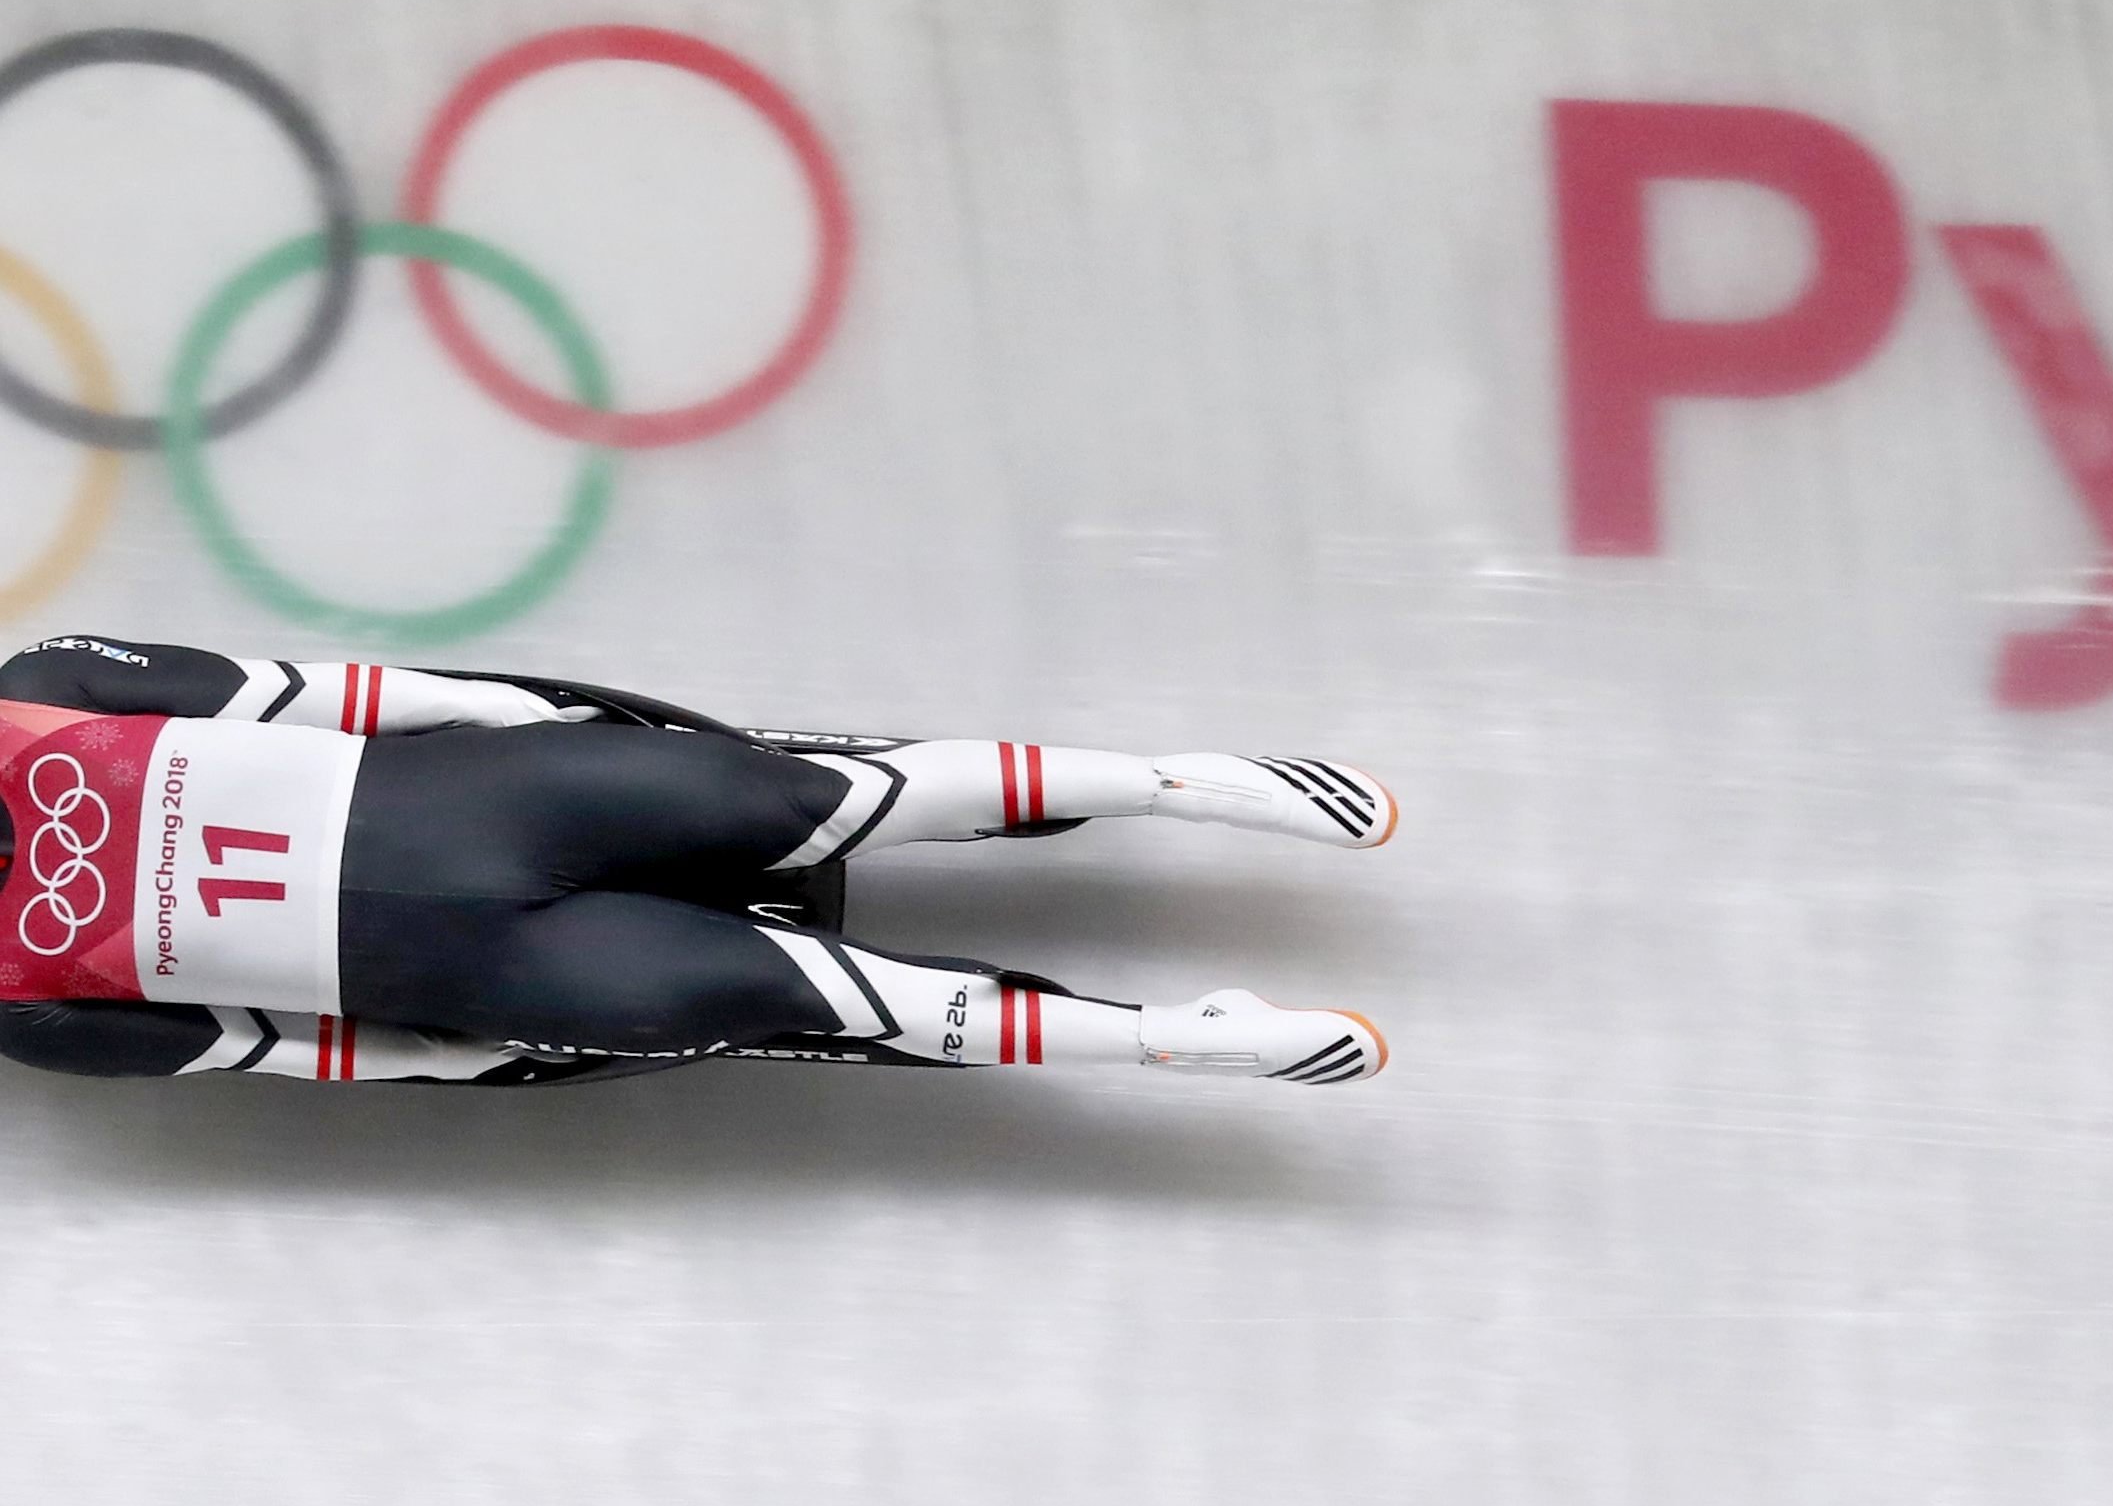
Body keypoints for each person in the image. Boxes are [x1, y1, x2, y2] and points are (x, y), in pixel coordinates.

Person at [0, 635, 1394, 1088]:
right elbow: (253, 1047)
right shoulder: (17, 1007)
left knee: (835, 796)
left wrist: (505, 717)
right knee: (835, 996)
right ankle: (1175, 1038)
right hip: (497, 962)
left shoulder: (45, 678)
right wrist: (448, 1059)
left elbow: (306, 688)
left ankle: (1185, 785)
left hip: (510, 801)